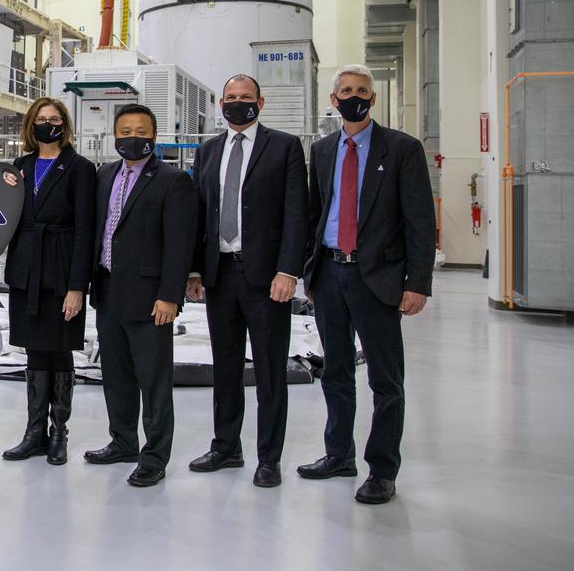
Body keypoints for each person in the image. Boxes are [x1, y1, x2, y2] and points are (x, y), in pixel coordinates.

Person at [299, 64, 435, 505]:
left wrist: (418, 282)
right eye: (345, 91)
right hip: (330, 273)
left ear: (372, 99)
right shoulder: (321, 151)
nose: (353, 96)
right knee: (336, 372)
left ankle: (382, 470)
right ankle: (339, 454)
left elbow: (420, 221)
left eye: (361, 90)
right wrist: (309, 271)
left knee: (385, 380)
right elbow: (314, 214)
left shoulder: (402, 149)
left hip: (377, 278)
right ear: (333, 100)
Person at [185, 74, 309, 488]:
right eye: (232, 98)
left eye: (246, 98)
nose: (238, 104)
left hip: (267, 277)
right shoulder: (207, 151)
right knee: (225, 367)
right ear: (221, 103)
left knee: (271, 369)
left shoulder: (284, 147)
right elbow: (199, 214)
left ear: (261, 101)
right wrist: (195, 270)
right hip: (220, 274)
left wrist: (288, 271)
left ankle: (269, 458)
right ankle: (226, 447)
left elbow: (296, 213)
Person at [84, 104, 196, 488]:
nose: (133, 137)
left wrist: (170, 296)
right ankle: (123, 441)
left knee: (154, 379)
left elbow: (179, 245)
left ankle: (154, 455)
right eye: (125, 130)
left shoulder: (171, 180)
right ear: (115, 136)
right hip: (108, 290)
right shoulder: (105, 175)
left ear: (153, 135)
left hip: (151, 298)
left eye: (141, 130)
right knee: (116, 375)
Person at [1, 97, 96, 466]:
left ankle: (59, 432)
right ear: (31, 124)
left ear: (65, 124)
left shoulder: (80, 168)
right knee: (34, 350)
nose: (47, 124)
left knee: (59, 350)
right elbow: (4, 213)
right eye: (41, 119)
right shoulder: (20, 166)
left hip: (60, 267)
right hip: (28, 268)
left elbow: (86, 229)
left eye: (54, 119)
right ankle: (34, 431)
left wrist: (77, 287)